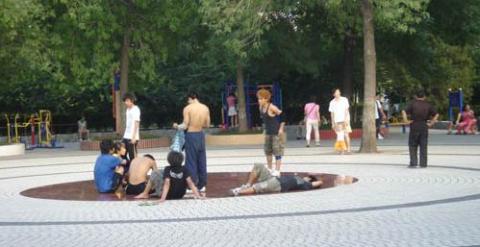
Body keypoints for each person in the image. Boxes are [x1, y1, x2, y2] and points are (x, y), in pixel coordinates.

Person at [229, 163, 323, 196]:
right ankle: (247, 185)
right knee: (258, 165)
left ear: (309, 180)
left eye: (308, 177)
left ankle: (238, 192)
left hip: (278, 185)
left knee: (257, 187)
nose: (306, 176)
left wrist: (315, 177)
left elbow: (319, 182)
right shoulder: (299, 178)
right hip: (273, 179)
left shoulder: (305, 184)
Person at [402, 90, 439, 168]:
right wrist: (431, 123)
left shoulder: (412, 103)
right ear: (424, 97)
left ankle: (413, 162)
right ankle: (423, 163)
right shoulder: (428, 105)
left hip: (414, 125)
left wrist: (406, 121)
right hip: (424, 125)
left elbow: (403, 111)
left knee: (412, 145)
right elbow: (436, 114)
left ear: (416, 96)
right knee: (423, 145)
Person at [182, 92, 210, 191]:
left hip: (191, 134)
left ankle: (192, 183)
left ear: (191, 98)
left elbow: (185, 125)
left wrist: (177, 126)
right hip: (200, 134)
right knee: (202, 159)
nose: (188, 102)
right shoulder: (205, 108)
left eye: (188, 100)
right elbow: (207, 124)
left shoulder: (187, 109)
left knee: (191, 160)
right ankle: (202, 183)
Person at [257, 89, 286, 177]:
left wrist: (281, 129)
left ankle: (277, 170)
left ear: (266, 99)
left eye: (261, 99)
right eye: (258, 98)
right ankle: (269, 169)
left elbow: (283, 115)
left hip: (275, 133)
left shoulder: (271, 107)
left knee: (277, 151)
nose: (259, 100)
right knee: (268, 151)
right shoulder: (261, 108)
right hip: (268, 133)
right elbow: (265, 120)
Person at [329, 89, 352, 153]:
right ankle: (340, 149)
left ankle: (348, 148)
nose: (338, 93)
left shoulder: (344, 99)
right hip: (337, 120)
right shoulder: (332, 102)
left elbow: (346, 110)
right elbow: (332, 113)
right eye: (336, 92)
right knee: (339, 135)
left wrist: (346, 120)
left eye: (339, 91)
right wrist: (333, 123)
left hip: (345, 119)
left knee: (346, 134)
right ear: (333, 94)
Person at [122, 93, 141, 161]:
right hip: (126, 135)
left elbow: (137, 123)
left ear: (132, 100)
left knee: (132, 155)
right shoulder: (127, 110)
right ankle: (127, 167)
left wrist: (134, 137)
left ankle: (135, 169)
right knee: (122, 153)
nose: (126, 102)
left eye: (127, 101)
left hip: (132, 136)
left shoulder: (136, 109)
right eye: (125, 101)